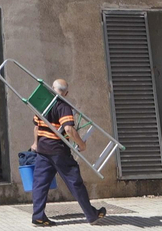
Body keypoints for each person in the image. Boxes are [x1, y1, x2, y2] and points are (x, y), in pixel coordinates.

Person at [30, 78, 105, 226]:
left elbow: (36, 126)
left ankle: (38, 216)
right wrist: (81, 144)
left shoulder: (43, 103)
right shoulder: (63, 105)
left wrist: (35, 143)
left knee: (40, 183)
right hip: (58, 151)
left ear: (52, 87)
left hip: (43, 150)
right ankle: (91, 215)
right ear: (66, 93)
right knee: (75, 182)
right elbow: (68, 129)